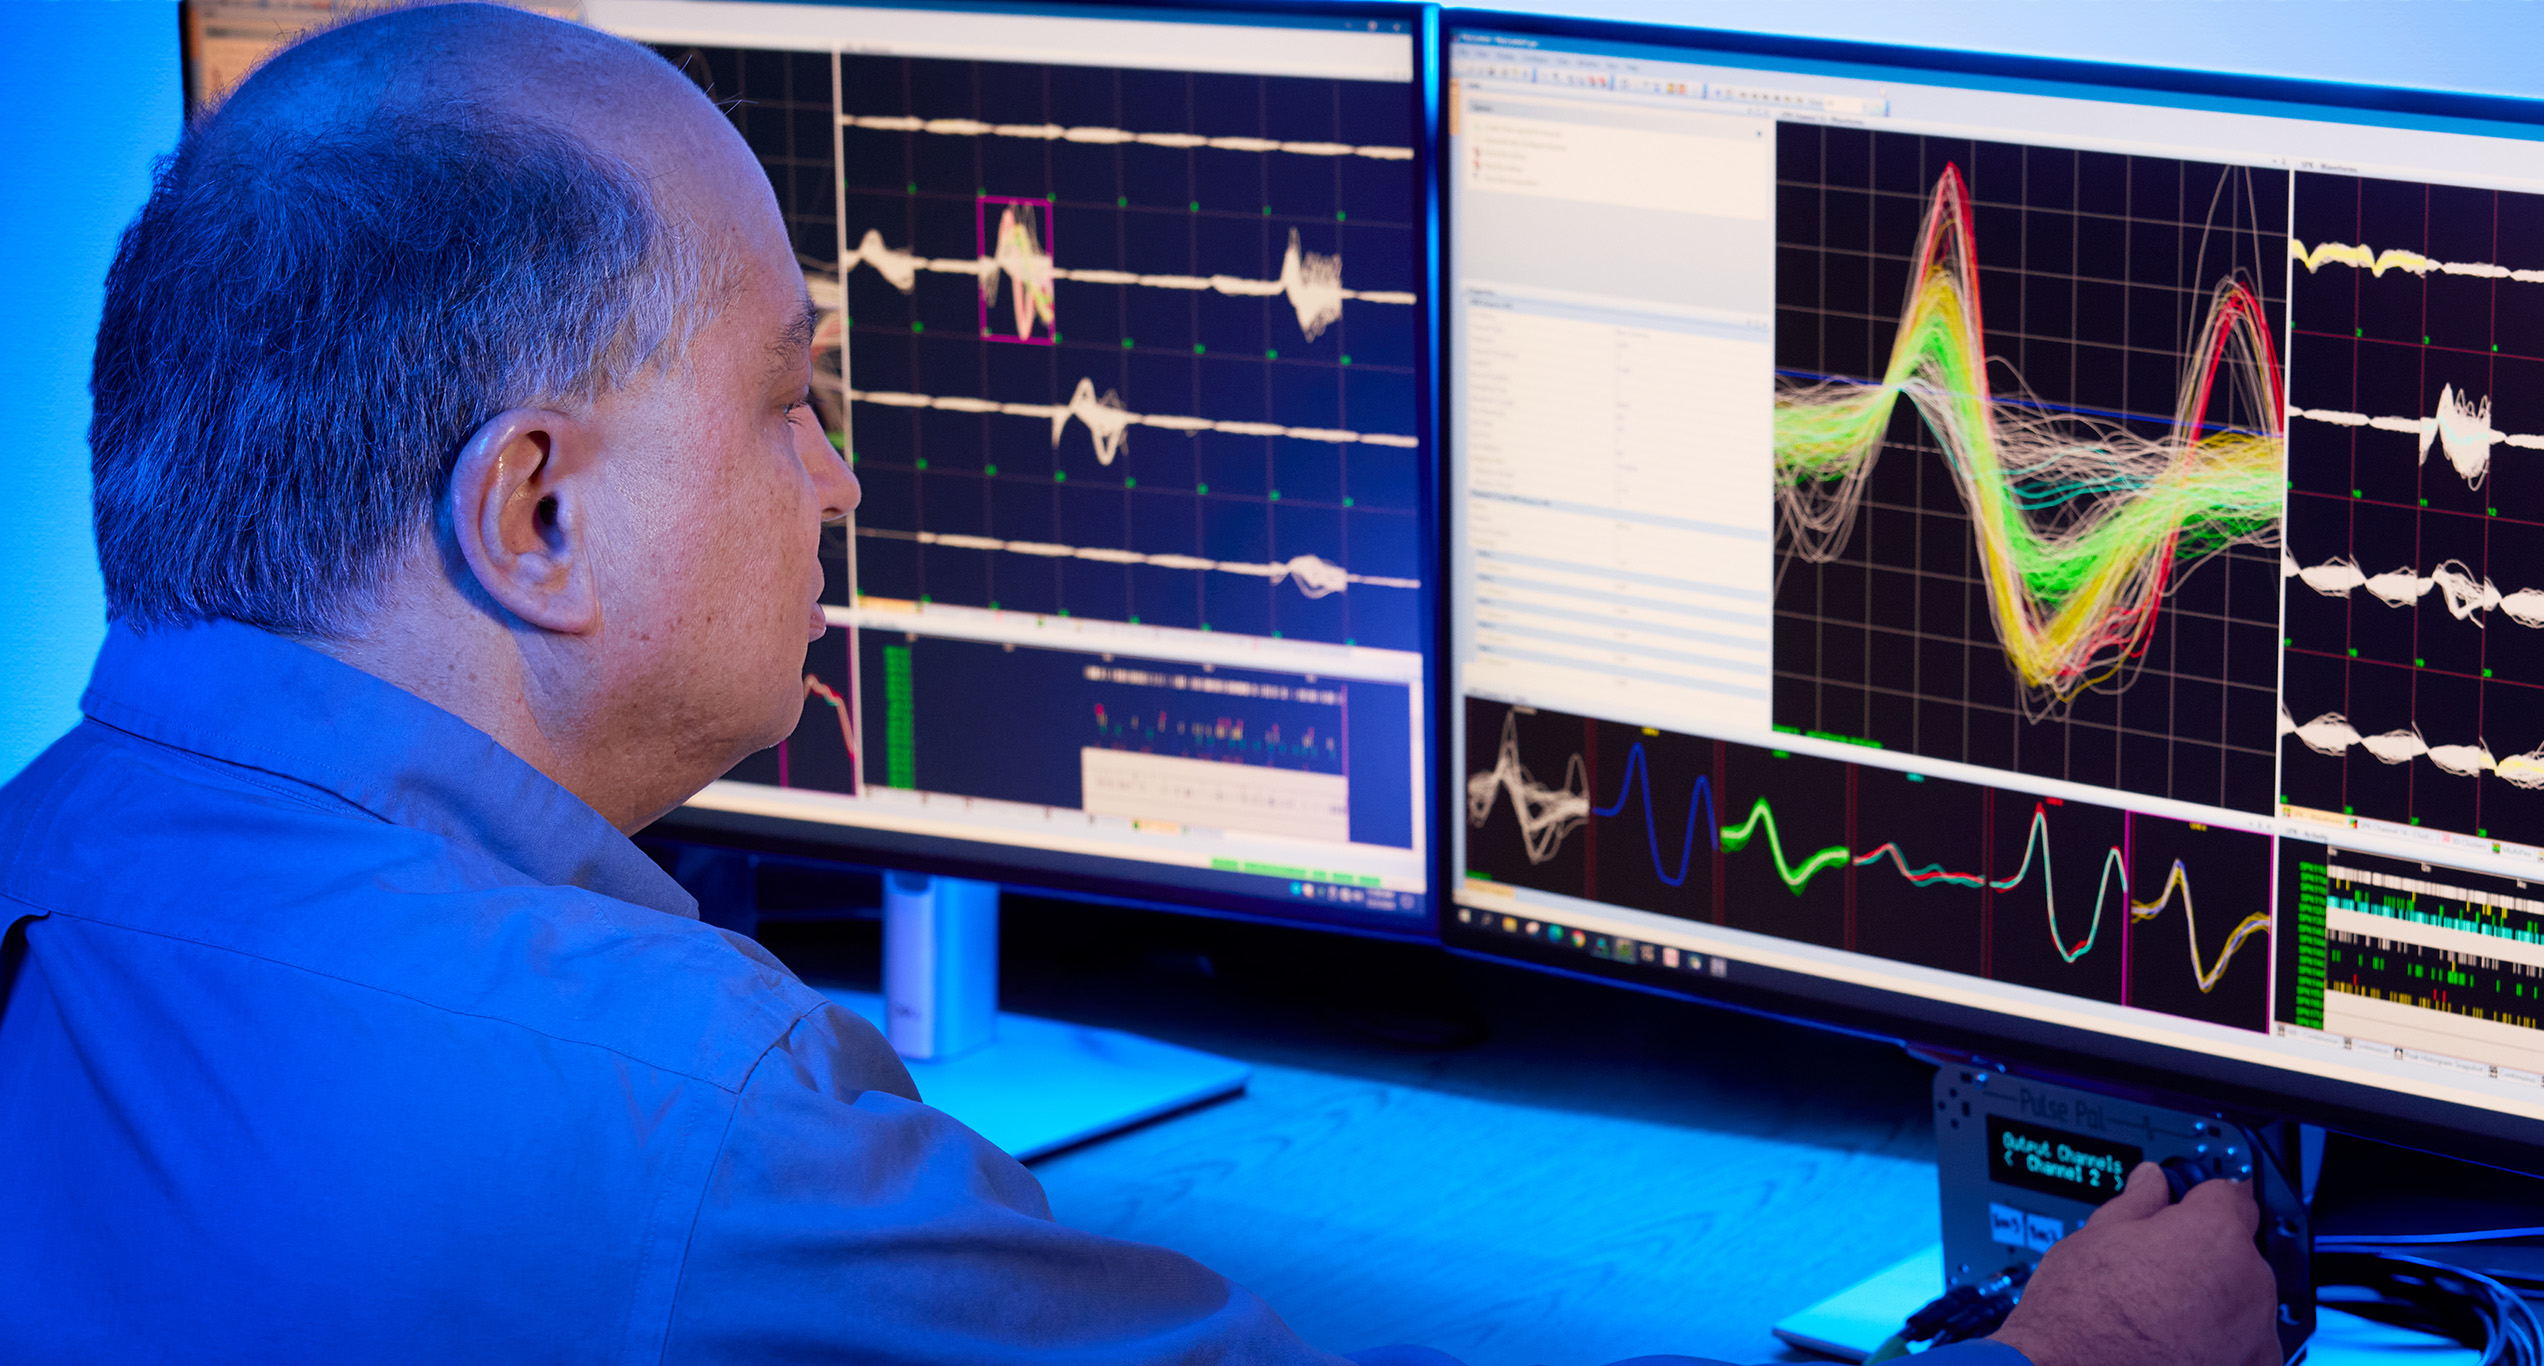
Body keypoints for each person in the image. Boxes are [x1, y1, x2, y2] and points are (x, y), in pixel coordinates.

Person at [0, 7, 2283, 1364]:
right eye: (794, 388)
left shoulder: (58, 870)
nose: (845, 475)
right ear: (535, 516)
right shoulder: (687, 1120)